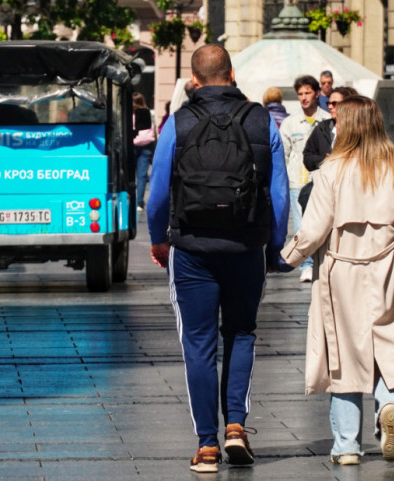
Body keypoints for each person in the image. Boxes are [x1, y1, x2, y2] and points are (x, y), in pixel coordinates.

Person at [146, 44, 290, 473]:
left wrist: (159, 239)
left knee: (198, 344)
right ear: (231, 74)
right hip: (246, 246)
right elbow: (279, 194)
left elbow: (156, 192)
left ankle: (207, 445)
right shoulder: (261, 120)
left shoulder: (178, 123)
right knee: (242, 333)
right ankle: (237, 428)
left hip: (191, 248)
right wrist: (274, 245)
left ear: (194, 80)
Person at [280, 96, 394, 466]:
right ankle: (390, 405)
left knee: (344, 357)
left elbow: (314, 228)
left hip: (341, 272)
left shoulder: (332, 169)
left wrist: (287, 258)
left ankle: (347, 446)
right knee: (388, 344)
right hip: (388, 269)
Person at [280, 75, 331, 282]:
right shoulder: (290, 123)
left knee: (323, 223)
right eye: (300, 94)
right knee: (303, 224)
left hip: (322, 181)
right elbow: (284, 153)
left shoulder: (327, 120)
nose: (303, 97)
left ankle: (321, 261)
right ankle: (307, 265)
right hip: (298, 181)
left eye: (307, 93)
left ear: (317, 93)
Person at [303, 86, 358, 172]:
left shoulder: (360, 129)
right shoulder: (322, 128)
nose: (330, 107)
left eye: (335, 103)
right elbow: (308, 157)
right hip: (325, 181)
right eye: (329, 103)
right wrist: (324, 160)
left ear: (348, 104)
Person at [132, 92, 156, 211]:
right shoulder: (147, 113)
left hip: (132, 145)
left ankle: (130, 199)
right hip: (147, 146)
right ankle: (139, 202)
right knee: (141, 176)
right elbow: (154, 130)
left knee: (130, 175)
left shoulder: (129, 113)